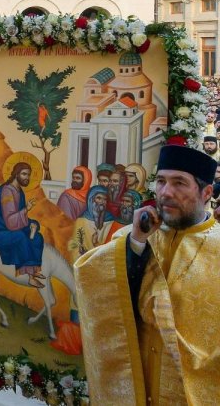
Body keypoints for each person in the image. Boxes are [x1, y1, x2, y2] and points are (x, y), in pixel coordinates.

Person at [75, 145, 220, 404]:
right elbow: (100, 291)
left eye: (179, 183)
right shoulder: (137, 236)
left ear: (206, 192)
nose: (166, 192)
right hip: (137, 386)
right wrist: (137, 243)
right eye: (161, 181)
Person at [0, 161, 46, 288]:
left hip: (8, 228)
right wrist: (26, 209)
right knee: (21, 237)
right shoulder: (7, 191)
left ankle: (34, 268)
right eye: (24, 174)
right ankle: (30, 277)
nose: (26, 177)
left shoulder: (19, 191)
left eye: (28, 175)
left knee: (38, 236)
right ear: (16, 174)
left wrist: (32, 224)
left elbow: (19, 219)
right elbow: (11, 222)